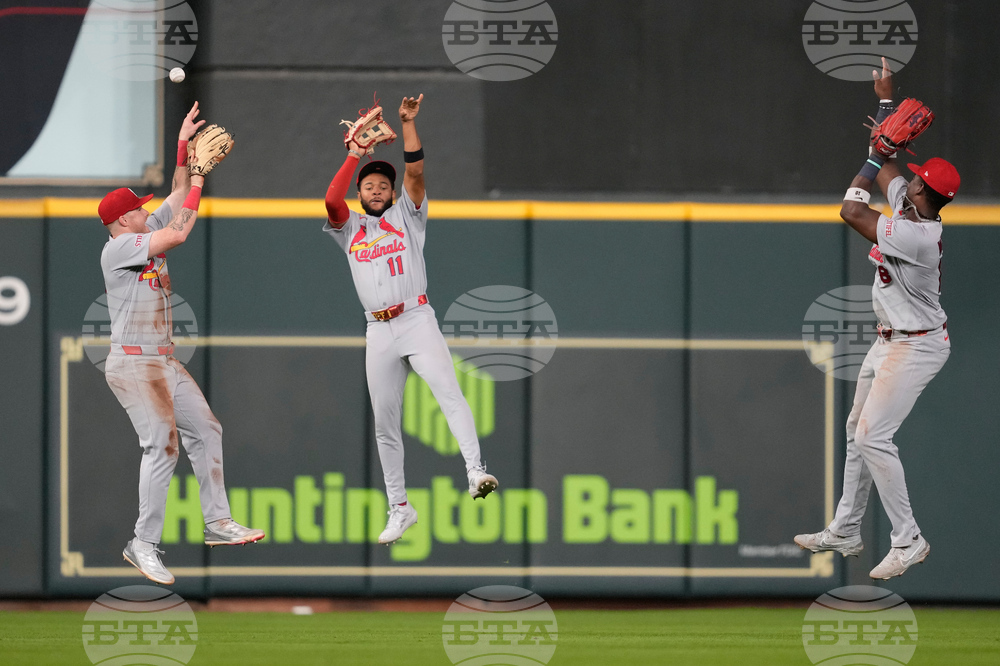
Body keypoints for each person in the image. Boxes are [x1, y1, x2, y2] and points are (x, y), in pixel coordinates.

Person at [794, 59, 959, 580]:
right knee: (856, 429)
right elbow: (886, 166)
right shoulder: (911, 205)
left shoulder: (918, 237)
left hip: (917, 346)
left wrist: (873, 159)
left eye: (916, 181)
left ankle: (908, 540)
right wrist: (886, 109)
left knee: (872, 437)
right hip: (891, 340)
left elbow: (851, 210)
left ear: (928, 196)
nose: (908, 181)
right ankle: (845, 528)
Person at [322, 94, 498, 545]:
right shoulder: (352, 230)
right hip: (378, 329)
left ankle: (475, 471)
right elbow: (330, 200)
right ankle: (399, 508)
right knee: (385, 422)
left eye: (383, 184)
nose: (376, 189)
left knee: (448, 392)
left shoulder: (408, 215)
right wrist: (353, 158)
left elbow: (416, 171)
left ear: (392, 193)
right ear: (360, 194)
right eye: (369, 186)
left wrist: (408, 124)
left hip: (416, 318)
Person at [99, 102, 263, 585]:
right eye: (139, 208)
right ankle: (143, 543)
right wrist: (198, 182)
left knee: (206, 429)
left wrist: (182, 148)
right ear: (123, 220)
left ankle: (219, 523)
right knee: (162, 448)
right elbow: (180, 231)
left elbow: (173, 194)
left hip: (163, 361)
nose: (147, 210)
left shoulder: (142, 228)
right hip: (133, 365)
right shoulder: (118, 249)